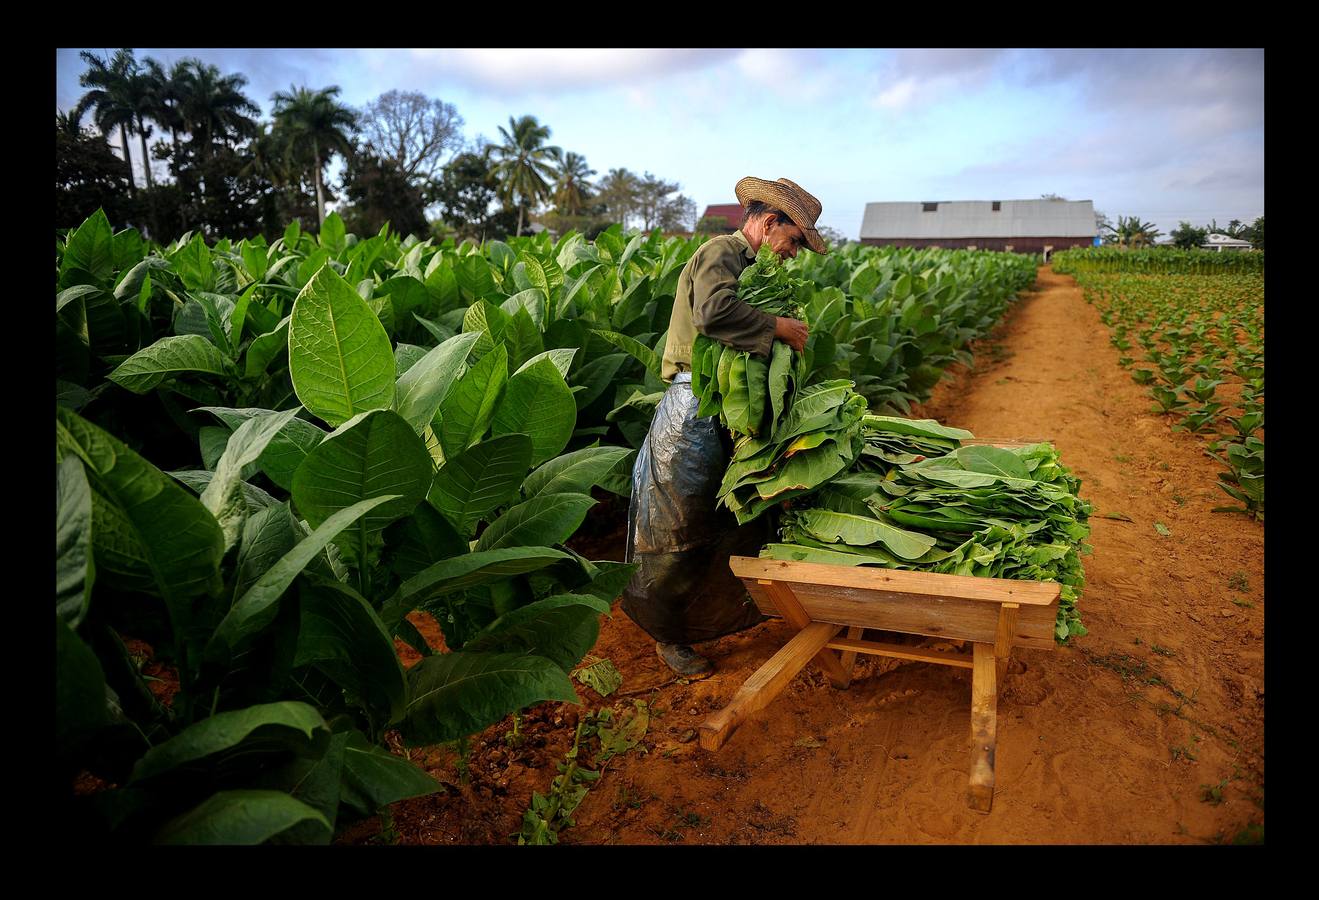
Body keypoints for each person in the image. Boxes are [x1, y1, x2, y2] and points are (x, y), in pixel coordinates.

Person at [621, 176, 830, 675]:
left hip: (728, 409)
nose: (793, 253)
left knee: (734, 518)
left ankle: (718, 620)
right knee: (677, 524)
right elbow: (712, 312)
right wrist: (777, 327)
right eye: (794, 240)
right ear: (767, 220)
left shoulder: (757, 271)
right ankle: (667, 634)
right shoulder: (723, 251)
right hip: (692, 408)